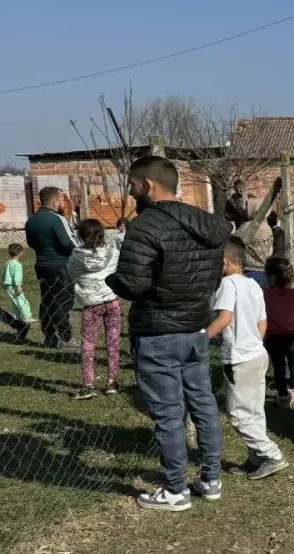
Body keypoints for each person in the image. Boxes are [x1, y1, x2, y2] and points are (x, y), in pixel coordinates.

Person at [108, 156, 228, 512]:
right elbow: (213, 278)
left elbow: (133, 284)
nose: (130, 193)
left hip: (158, 331)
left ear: (148, 185)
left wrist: (111, 279)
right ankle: (211, 478)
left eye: (132, 186)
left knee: (168, 414)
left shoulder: (145, 227)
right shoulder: (208, 224)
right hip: (196, 328)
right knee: (204, 404)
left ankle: (175, 488)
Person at [207, 237, 288, 481]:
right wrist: (254, 343)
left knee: (238, 414)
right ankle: (257, 458)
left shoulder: (227, 284)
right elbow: (262, 322)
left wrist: (200, 338)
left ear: (224, 261)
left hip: (239, 358)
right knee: (254, 411)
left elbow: (224, 318)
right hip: (257, 354)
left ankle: (272, 454)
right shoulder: (253, 284)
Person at [67, 219, 121, 399]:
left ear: (80, 236)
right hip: (111, 300)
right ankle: (112, 381)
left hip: (91, 304)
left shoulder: (76, 256)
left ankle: (88, 384)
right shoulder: (113, 252)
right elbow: (117, 271)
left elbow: (71, 273)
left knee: (88, 344)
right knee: (112, 342)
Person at [24, 186, 78, 347]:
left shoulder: (31, 221)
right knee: (62, 301)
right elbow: (69, 243)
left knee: (47, 301)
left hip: (42, 266)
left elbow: (31, 243)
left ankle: (49, 336)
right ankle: (65, 337)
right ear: (55, 202)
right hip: (61, 267)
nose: (63, 203)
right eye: (62, 200)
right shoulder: (57, 219)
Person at [263, 256, 294, 408]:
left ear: (272, 277)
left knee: (279, 366)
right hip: (292, 335)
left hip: (273, 336)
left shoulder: (265, 294)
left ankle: (283, 395)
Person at [234, 197, 273, 287]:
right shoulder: (268, 227)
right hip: (265, 271)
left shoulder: (246, 227)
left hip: (249, 270)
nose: (245, 211)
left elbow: (235, 244)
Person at [3, 243, 32, 343]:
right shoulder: (17, 265)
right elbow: (17, 277)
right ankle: (27, 317)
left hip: (8, 287)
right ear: (21, 253)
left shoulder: (7, 263)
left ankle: (18, 317)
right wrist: (19, 285)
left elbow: (3, 274)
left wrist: (3, 283)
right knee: (22, 302)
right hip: (15, 287)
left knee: (15, 303)